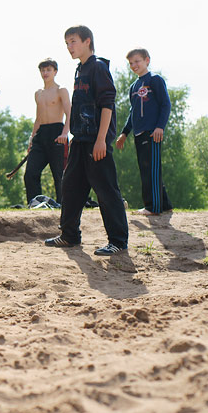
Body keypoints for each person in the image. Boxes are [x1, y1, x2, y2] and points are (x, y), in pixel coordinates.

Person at [44, 25, 128, 256]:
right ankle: (69, 235)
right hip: (80, 140)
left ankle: (118, 241)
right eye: (67, 43)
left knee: (106, 191)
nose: (69, 47)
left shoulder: (98, 67)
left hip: (96, 141)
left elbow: (107, 105)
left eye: (73, 42)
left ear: (87, 41)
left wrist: (102, 140)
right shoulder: (79, 69)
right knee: (70, 187)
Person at [116, 48, 172, 215]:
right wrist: (125, 133)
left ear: (147, 60)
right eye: (131, 63)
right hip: (138, 133)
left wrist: (160, 127)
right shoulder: (133, 87)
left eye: (137, 61)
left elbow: (165, 104)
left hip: (152, 132)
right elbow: (133, 112)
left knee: (152, 169)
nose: (134, 65)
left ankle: (153, 207)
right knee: (146, 168)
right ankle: (165, 204)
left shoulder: (155, 80)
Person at [24, 59, 70, 205]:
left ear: (55, 72)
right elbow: (38, 118)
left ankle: (64, 206)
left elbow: (70, 113)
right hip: (41, 134)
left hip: (57, 133)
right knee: (30, 172)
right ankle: (35, 204)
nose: (45, 73)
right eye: (43, 70)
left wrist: (64, 133)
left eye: (48, 70)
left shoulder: (61, 90)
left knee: (59, 174)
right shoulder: (38, 93)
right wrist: (32, 138)